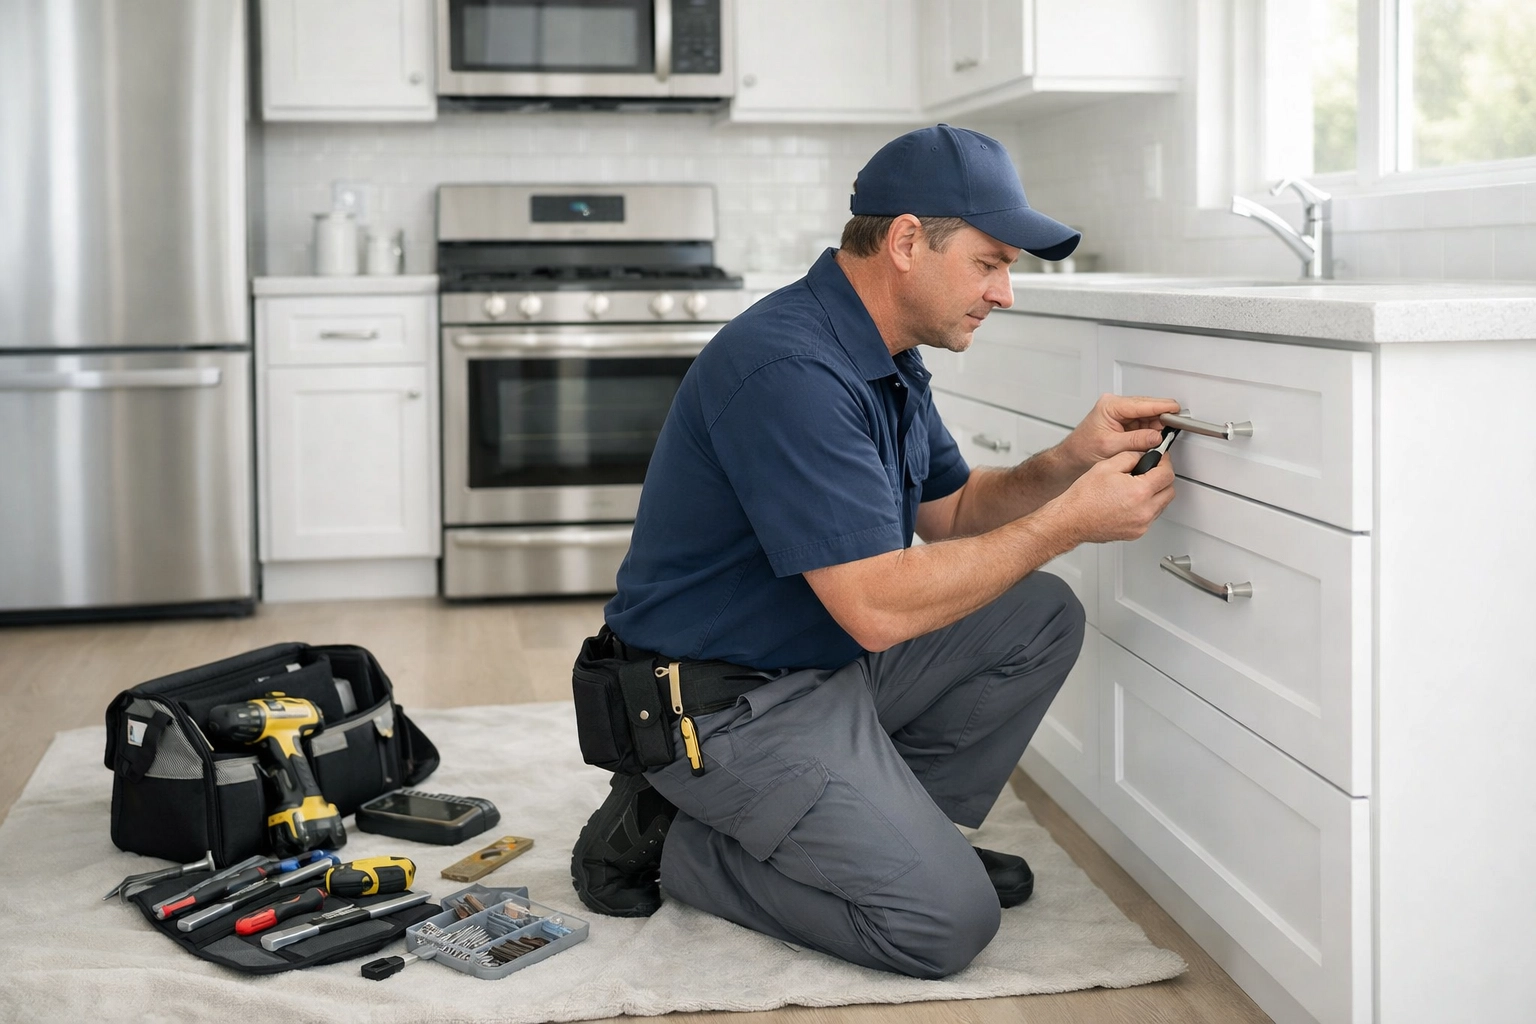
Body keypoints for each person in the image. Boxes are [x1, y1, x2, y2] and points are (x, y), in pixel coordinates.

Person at [569, 124, 1179, 979]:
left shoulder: (880, 351)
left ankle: (889, 840)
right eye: (989, 262)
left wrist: (1067, 462)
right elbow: (880, 605)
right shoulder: (791, 368)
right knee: (943, 926)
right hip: (717, 712)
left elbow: (957, 510)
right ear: (904, 242)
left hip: (815, 668)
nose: (1004, 293)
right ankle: (667, 838)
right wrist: (1070, 522)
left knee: (1037, 613)